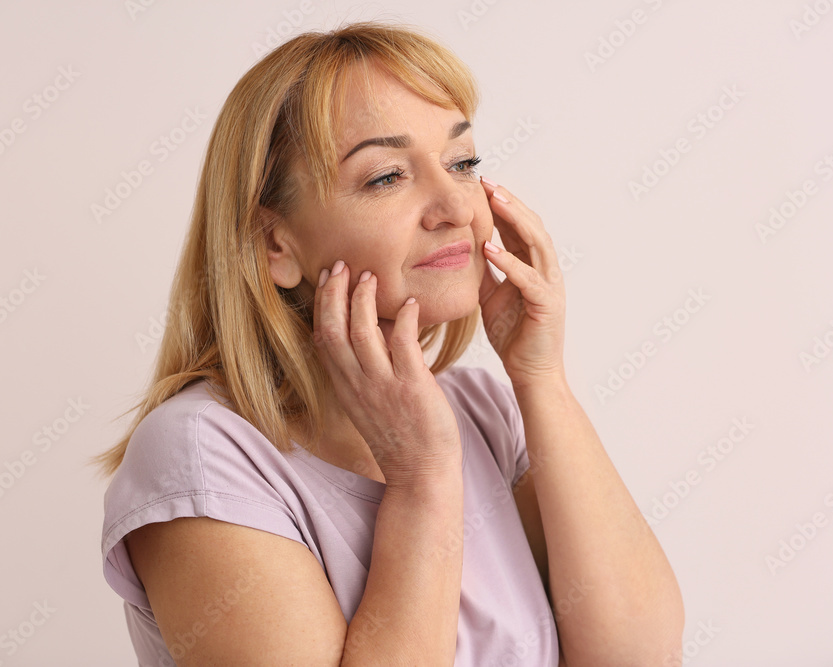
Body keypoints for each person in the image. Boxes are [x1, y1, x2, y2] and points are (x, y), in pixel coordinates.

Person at [93, 20, 684, 666]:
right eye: (387, 177)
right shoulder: (201, 454)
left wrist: (542, 379)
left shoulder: (482, 408)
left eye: (462, 163)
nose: (454, 205)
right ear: (275, 245)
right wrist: (422, 480)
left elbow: (639, 655)